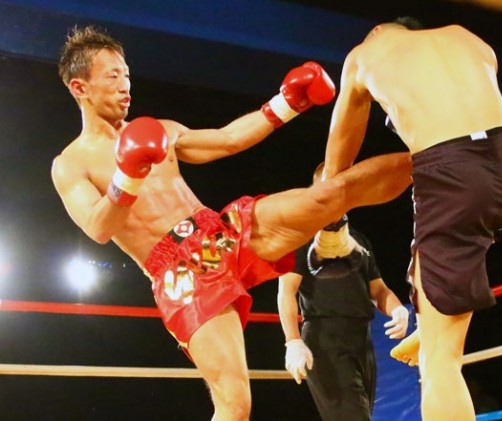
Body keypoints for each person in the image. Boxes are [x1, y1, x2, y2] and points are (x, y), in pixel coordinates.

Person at [51, 25, 412, 420]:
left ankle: (432, 160)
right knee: (235, 406)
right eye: (112, 76)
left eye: (126, 74)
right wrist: (128, 176)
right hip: (180, 275)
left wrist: (288, 102)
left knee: (325, 198)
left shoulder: (162, 130)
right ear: (80, 87)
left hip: (218, 232)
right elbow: (98, 227)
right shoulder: (71, 164)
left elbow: (228, 139)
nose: (125, 85)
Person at [319, 17, 502, 421]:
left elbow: (337, 161)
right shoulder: (466, 36)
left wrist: (329, 217)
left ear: (378, 31)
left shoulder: (365, 55)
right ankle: (431, 317)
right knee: (467, 236)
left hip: (455, 176)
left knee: (439, 363)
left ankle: (435, 331)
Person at [277, 166, 409, 421]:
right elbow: (286, 292)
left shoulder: (359, 240)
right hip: (325, 338)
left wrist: (398, 310)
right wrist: (292, 341)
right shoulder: (301, 237)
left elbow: (378, 289)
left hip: (362, 338)